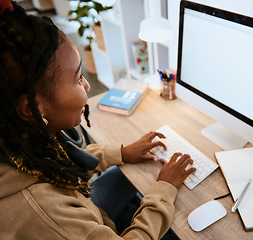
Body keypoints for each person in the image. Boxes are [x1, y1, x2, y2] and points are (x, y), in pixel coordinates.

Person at [0, 1, 195, 239]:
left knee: (125, 177)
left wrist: (122, 152)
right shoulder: (48, 213)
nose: (88, 85)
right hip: (82, 218)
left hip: (88, 207)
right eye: (78, 77)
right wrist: (165, 189)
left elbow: (69, 157)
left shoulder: (23, 141)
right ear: (31, 108)